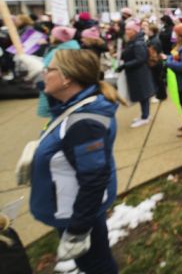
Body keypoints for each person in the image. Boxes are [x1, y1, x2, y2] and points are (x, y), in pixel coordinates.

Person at [30, 49, 121, 274]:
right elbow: (57, 103)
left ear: (67, 78)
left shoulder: (85, 124)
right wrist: (39, 77)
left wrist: (78, 231)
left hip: (76, 211)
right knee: (93, 263)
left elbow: (93, 179)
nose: (44, 74)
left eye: (49, 70)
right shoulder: (76, 105)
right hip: (70, 206)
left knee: (97, 266)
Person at [116, 20, 155, 128]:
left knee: (143, 95)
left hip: (139, 73)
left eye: (129, 29)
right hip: (137, 72)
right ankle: (144, 115)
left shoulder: (138, 43)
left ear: (134, 31)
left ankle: (145, 117)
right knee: (143, 95)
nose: (126, 31)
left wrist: (125, 65)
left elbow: (140, 59)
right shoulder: (134, 41)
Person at [37, 26, 81, 118]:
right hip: (69, 86)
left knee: (57, 112)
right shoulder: (75, 49)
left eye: (52, 35)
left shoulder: (57, 53)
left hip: (57, 86)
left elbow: (44, 67)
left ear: (57, 38)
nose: (50, 36)